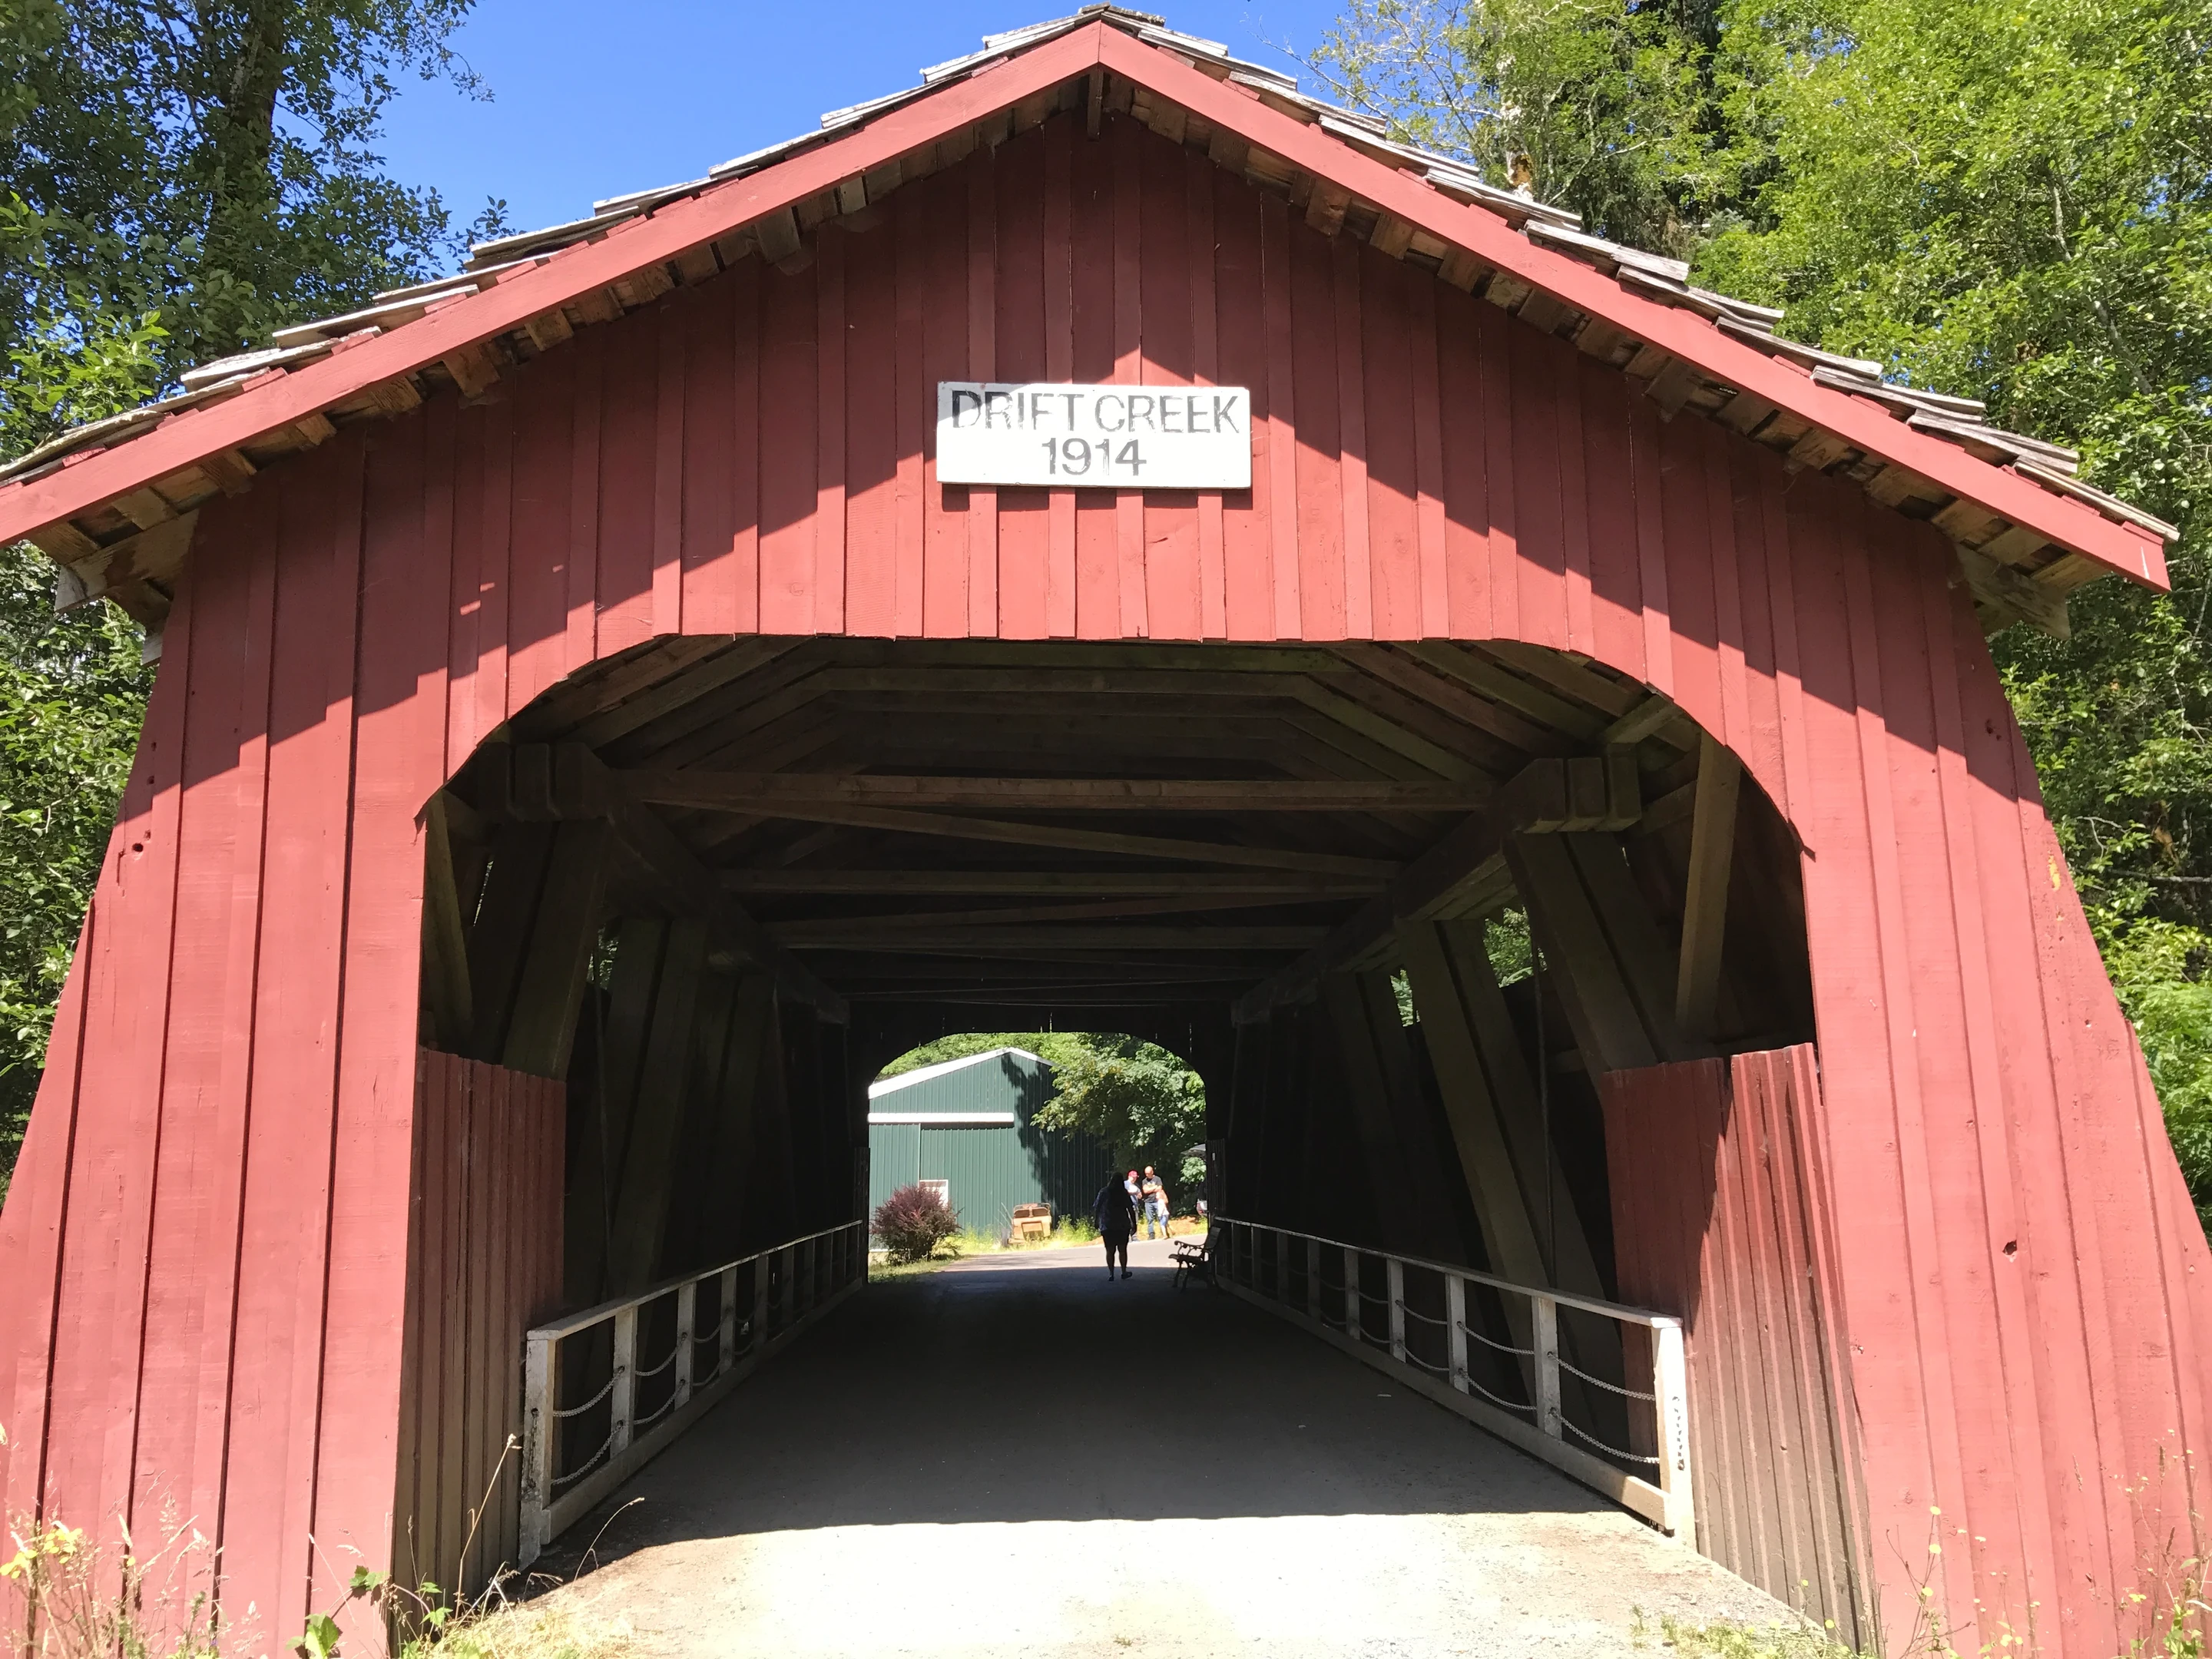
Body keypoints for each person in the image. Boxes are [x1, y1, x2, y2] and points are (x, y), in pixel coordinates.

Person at [1094, 1171, 1137, 1280]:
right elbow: (1130, 1209)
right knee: (1122, 1250)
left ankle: (1111, 1274)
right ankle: (1123, 1271)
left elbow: (1097, 1207)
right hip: (1122, 1225)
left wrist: (1096, 1221)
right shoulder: (1123, 1193)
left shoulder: (1104, 1192)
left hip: (1107, 1225)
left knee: (1110, 1250)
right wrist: (1134, 1223)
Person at [1140, 1166, 1169, 1239]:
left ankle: (1165, 1233)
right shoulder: (1144, 1181)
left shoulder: (1157, 1179)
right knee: (1150, 1219)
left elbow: (1160, 1188)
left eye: (1148, 1173)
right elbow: (1145, 1191)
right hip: (1148, 1202)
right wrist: (1154, 1188)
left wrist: (1150, 1189)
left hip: (1157, 1201)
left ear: (1152, 1172)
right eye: (1146, 1174)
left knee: (1161, 1217)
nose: (1147, 1175)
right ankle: (1151, 1234)